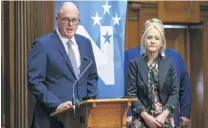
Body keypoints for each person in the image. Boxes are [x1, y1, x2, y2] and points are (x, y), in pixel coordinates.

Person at [27, 2, 98, 128]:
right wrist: (57, 105)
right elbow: (35, 81)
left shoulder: (85, 43)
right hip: (51, 119)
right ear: (57, 20)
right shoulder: (43, 44)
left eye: (74, 20)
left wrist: (89, 102)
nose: (71, 24)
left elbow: (91, 76)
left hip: (80, 120)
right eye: (66, 19)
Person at [125, 18, 191, 128]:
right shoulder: (131, 57)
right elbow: (128, 90)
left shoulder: (174, 58)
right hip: (140, 118)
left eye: (157, 36)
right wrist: (128, 113)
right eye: (150, 35)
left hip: (167, 117)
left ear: (162, 38)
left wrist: (184, 113)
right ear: (144, 36)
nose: (153, 40)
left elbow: (183, 87)